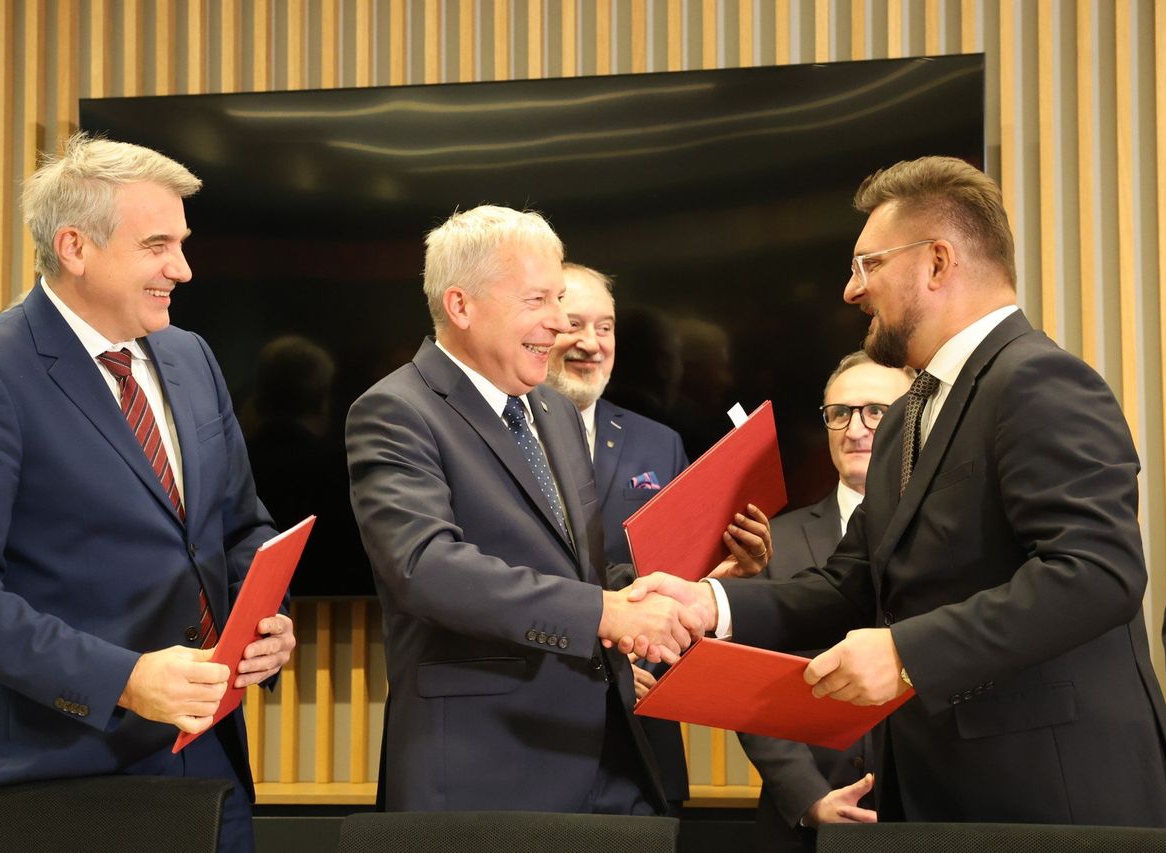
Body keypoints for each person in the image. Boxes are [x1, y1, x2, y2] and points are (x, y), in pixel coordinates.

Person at [628, 156, 1166, 825]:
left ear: (938, 262)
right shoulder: (905, 419)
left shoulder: (1039, 381)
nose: (852, 291)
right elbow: (848, 586)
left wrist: (907, 653)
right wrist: (708, 603)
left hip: (1051, 798)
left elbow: (1098, 573)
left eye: (869, 264)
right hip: (934, 796)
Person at [0, 133, 294, 853]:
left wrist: (266, 617)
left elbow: (239, 526)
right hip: (66, 771)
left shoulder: (191, 355)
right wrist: (124, 678)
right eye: (157, 245)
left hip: (213, 762)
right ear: (75, 247)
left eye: (181, 242)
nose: (182, 267)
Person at [346, 205, 769, 814]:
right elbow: (425, 567)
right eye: (537, 301)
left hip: (610, 758)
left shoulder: (555, 411)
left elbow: (581, 573)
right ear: (461, 306)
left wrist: (671, 590)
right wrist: (606, 612)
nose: (558, 325)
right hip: (484, 766)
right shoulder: (396, 410)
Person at [739, 351, 912, 851]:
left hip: (929, 814)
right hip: (801, 825)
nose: (855, 429)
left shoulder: (952, 537)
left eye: (876, 411)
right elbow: (751, 688)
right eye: (840, 413)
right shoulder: (771, 541)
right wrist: (810, 798)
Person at [544, 262, 692, 809]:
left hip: (638, 734)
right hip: (535, 727)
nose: (591, 343)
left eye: (604, 327)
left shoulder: (661, 443)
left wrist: (723, 573)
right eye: (573, 324)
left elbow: (678, 573)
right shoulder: (495, 441)